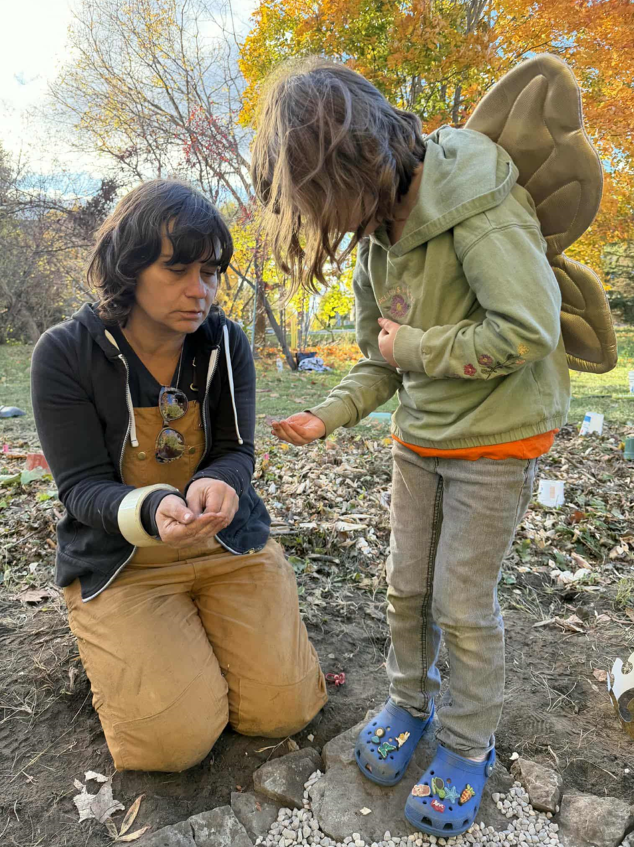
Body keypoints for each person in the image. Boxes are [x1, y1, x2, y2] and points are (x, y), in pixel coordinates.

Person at [250, 57, 570, 837]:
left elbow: (529, 329)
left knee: (461, 606)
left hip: (496, 438)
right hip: (419, 439)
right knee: (405, 589)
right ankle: (408, 700)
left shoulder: (479, 206)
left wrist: (416, 347)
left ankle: (466, 742)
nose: (337, 227)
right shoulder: (374, 235)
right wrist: (327, 415)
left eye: (328, 203)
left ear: (363, 157)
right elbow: (377, 358)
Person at [31, 179, 327, 773]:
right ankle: (140, 643)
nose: (202, 292)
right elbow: (82, 487)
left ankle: (201, 640)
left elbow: (236, 450)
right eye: (178, 271)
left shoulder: (224, 342)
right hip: (125, 561)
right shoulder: (65, 353)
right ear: (129, 267)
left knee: (285, 709)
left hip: (227, 545)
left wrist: (222, 481)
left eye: (211, 272)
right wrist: (148, 511)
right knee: (172, 744)